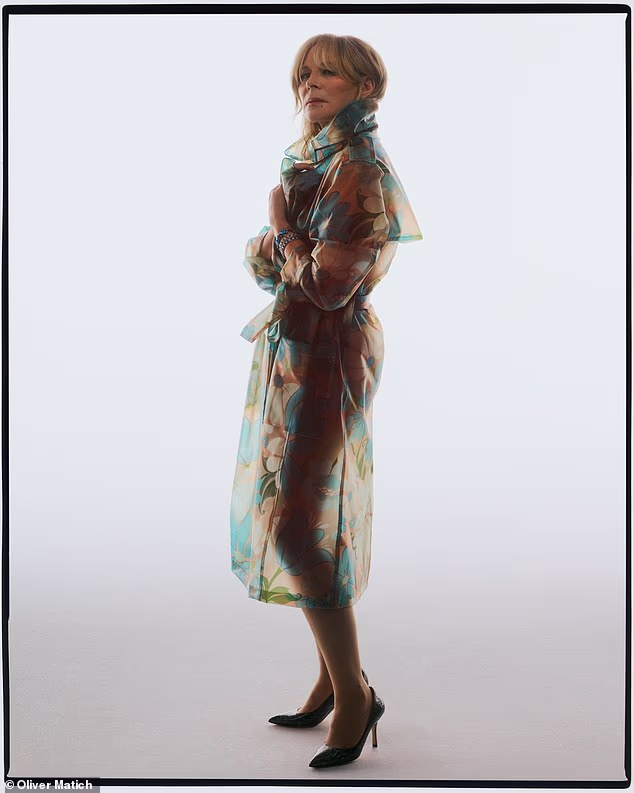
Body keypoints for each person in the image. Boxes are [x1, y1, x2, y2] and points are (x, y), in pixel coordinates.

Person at [229, 33, 423, 768]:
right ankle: (330, 681)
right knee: (301, 514)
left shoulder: (360, 167)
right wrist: (282, 239)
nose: (310, 84)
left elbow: (328, 283)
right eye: (304, 73)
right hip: (299, 348)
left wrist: (281, 228)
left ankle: (353, 695)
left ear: (365, 87)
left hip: (330, 352)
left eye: (329, 74)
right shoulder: (315, 161)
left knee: (299, 523)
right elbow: (265, 266)